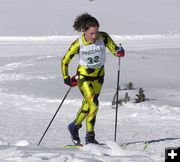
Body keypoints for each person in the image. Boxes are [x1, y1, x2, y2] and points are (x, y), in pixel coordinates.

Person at [61, 13, 125, 145]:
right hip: (84, 78)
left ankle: (74, 126)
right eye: (91, 33)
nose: (95, 36)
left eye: (96, 32)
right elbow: (65, 60)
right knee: (94, 105)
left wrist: (119, 51)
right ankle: (90, 138)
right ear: (84, 31)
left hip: (99, 78)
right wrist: (66, 77)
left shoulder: (104, 37)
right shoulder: (78, 44)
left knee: (88, 105)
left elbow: (115, 50)